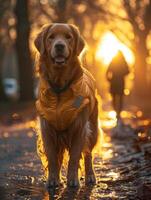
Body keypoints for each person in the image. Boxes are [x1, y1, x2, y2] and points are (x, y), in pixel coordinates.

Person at [106, 50, 129, 119]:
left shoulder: (114, 61)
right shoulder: (122, 62)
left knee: (115, 97)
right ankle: (117, 112)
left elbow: (107, 71)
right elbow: (128, 71)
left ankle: (117, 112)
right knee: (118, 98)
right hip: (119, 82)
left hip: (115, 82)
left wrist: (109, 79)